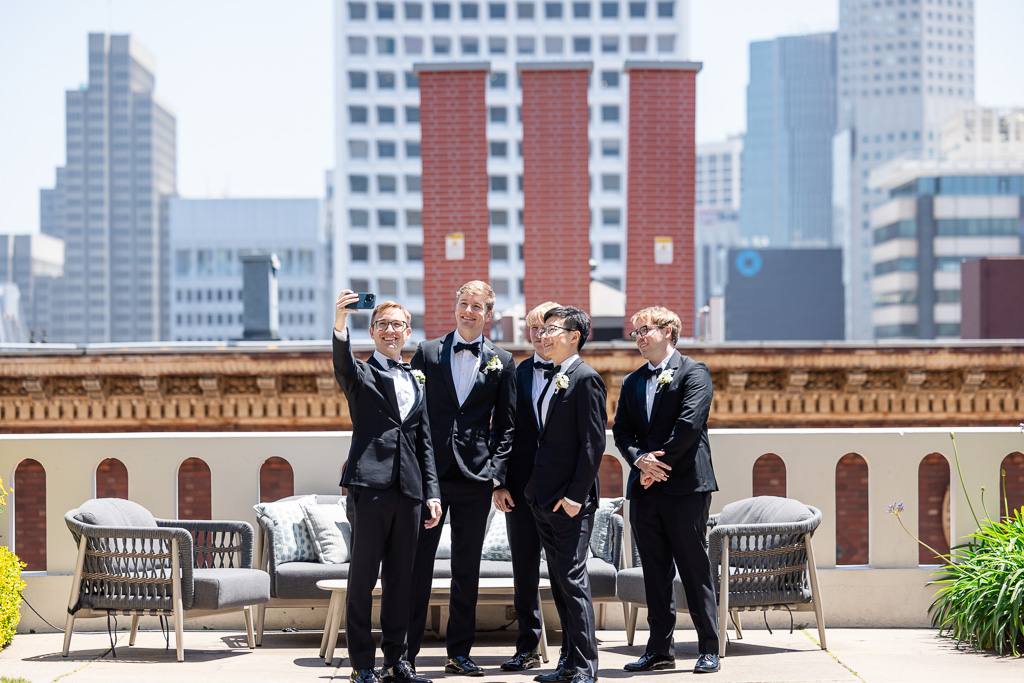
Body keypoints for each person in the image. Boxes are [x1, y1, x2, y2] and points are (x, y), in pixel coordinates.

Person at [406, 280, 517, 676]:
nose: (468, 311)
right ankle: (406, 655)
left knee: (466, 568)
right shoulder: (427, 351)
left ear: (489, 314)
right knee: (417, 565)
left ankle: (459, 653)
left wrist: (495, 474)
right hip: (429, 475)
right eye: (463, 303)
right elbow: (412, 412)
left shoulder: (503, 360)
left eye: (477, 306)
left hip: (475, 476)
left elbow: (507, 427)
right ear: (456, 306)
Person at [333, 291, 443, 683]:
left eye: (397, 324)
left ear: (408, 331)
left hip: (410, 490)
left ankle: (397, 661)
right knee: (363, 577)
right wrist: (339, 321)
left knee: (403, 579)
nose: (390, 330)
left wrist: (432, 493)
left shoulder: (416, 377)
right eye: (383, 324)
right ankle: (362, 665)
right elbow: (342, 365)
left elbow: (425, 440)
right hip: (370, 485)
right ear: (373, 332)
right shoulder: (361, 373)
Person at [612, 306, 721, 674]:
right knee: (654, 572)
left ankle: (709, 647)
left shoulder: (695, 372)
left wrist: (656, 467)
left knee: (694, 568)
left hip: (686, 486)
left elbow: (689, 425)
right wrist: (640, 461)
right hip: (644, 489)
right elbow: (621, 431)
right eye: (635, 332)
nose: (640, 336)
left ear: (669, 331)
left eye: (646, 329)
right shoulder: (631, 381)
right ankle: (659, 650)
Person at [524, 305, 606, 683]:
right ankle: (568, 663)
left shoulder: (585, 378)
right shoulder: (557, 376)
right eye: (542, 330)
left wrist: (575, 497)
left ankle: (586, 667)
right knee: (559, 582)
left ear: (574, 336)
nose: (543, 335)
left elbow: (593, 445)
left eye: (552, 329)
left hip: (571, 503)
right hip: (543, 499)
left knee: (573, 582)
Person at [491, 301, 570, 674]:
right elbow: (504, 428)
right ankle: (527, 647)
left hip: (559, 492)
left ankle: (573, 649)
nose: (540, 335)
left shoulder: (577, 373)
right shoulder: (517, 372)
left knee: (563, 573)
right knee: (524, 572)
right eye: (534, 329)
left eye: (547, 327)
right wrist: (499, 482)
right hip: (520, 490)